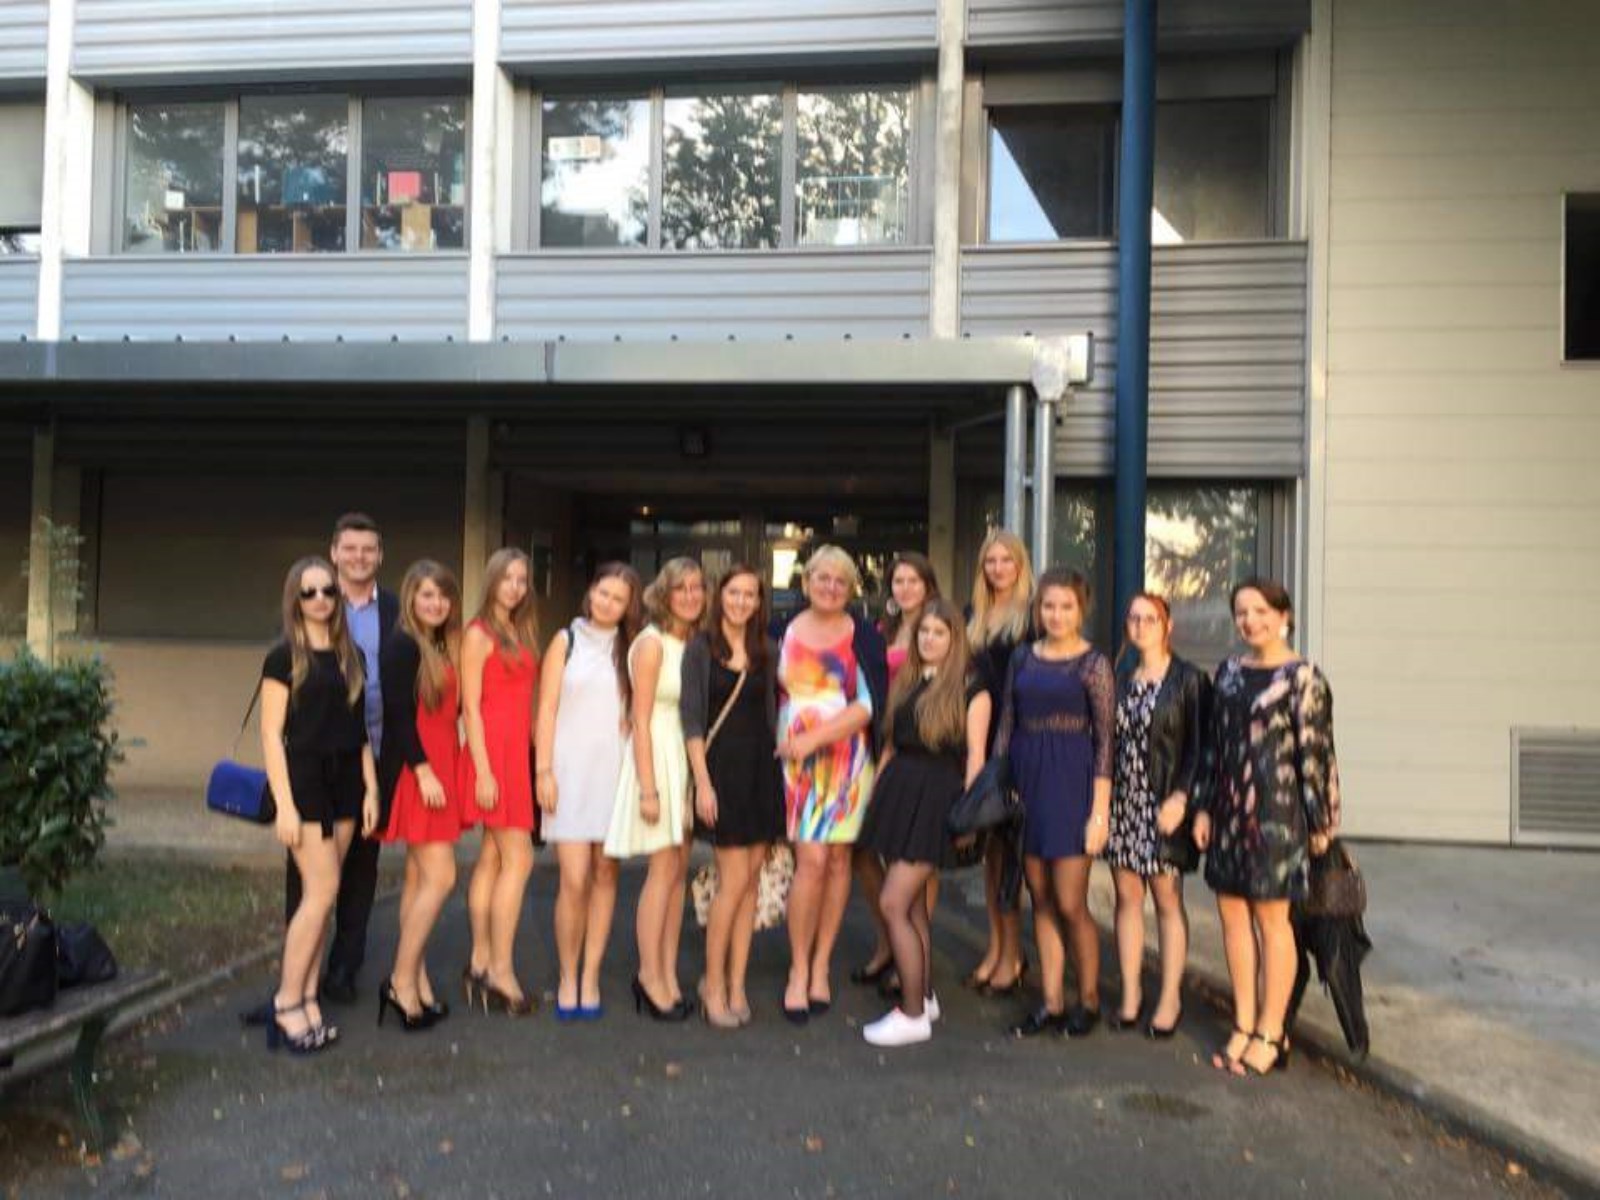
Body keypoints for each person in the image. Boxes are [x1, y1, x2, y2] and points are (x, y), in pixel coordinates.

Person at [1194, 579, 1340, 1076]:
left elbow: (1316, 756)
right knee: (1232, 915)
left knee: (1272, 921)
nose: (1250, 620)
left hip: (1279, 815)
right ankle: (1243, 1022)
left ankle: (1272, 1032)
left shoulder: (1304, 678)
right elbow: (1213, 745)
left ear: (1284, 617)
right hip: (1228, 809)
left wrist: (1321, 822)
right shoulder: (1229, 672)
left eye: (1260, 611)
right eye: (1241, 612)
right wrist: (1203, 807)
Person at [275, 514, 397, 1010]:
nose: (359, 557)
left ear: (380, 555)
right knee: (310, 881)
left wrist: (377, 781)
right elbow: (278, 717)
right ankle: (293, 987)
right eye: (350, 548)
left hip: (368, 758)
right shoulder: (306, 617)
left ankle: (339, 974)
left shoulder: (391, 614)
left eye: (368, 549)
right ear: (334, 552)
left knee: (359, 874)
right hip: (311, 768)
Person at [856, 600, 990, 1047]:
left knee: (893, 902)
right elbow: (891, 744)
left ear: (955, 639)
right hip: (899, 793)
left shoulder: (972, 689)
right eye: (924, 632)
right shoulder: (909, 681)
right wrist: (876, 794)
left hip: (936, 799)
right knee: (911, 907)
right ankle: (924, 996)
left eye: (939, 633)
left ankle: (912, 1014)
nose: (930, 639)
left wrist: (969, 814)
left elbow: (976, 757)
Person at [260, 557, 379, 1053]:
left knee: (324, 896)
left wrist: (371, 789)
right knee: (321, 890)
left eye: (327, 590)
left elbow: (359, 731)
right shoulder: (283, 657)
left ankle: (308, 998)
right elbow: (271, 735)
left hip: (348, 781)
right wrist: (285, 806)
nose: (320, 600)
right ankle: (286, 1002)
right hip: (305, 780)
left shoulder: (352, 656)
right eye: (308, 592)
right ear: (295, 598)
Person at [994, 568, 1114, 1039]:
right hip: (1027, 783)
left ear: (1081, 610)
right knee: (1039, 896)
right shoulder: (1023, 656)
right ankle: (1051, 1001)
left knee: (1069, 901)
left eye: (1066, 606)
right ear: (1038, 609)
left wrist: (1099, 813)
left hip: (1072, 785)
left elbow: (1106, 741)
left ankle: (1089, 999)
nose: (1057, 614)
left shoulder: (1093, 664)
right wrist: (1000, 783)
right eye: (1049, 606)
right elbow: (1007, 721)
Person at [775, 545, 887, 1024]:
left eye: (841, 581)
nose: (831, 587)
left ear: (851, 589)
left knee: (840, 861)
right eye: (823, 578)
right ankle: (798, 968)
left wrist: (815, 738)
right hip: (796, 765)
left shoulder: (864, 635)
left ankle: (821, 965)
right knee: (811, 861)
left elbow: (868, 704)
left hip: (847, 761)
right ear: (807, 582)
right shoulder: (781, 629)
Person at [682, 565, 786, 1029]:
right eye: (733, 593)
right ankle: (713, 984)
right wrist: (702, 783)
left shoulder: (768, 649)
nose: (741, 601)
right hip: (722, 771)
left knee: (750, 885)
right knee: (733, 882)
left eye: (750, 595)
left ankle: (737, 983)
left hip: (762, 772)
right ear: (719, 596)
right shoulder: (701, 649)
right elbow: (691, 721)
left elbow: (774, 713)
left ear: (759, 602)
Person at [536, 563, 641, 1021]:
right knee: (573, 879)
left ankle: (591, 975)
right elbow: (546, 708)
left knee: (605, 875)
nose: (607, 603)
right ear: (590, 592)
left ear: (628, 606)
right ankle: (567, 975)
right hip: (569, 773)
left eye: (618, 598)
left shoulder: (633, 648)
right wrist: (542, 771)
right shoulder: (566, 640)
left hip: (615, 773)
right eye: (603, 592)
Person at [606, 557, 705, 1021]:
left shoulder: (694, 641)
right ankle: (649, 976)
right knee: (662, 870)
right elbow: (640, 720)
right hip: (658, 758)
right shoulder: (650, 644)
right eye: (680, 588)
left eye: (696, 587)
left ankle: (667, 972)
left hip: (684, 757)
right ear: (663, 594)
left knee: (678, 871)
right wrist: (648, 789)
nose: (689, 595)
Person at [1107, 593, 1210, 1038]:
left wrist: (1183, 799)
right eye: (1134, 618)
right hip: (1123, 802)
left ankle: (1170, 997)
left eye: (1150, 618)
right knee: (1127, 898)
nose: (1141, 625)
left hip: (1164, 803)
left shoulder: (1188, 680)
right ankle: (1131, 993)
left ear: (1168, 626)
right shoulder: (1120, 678)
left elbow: (1202, 747)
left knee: (1167, 900)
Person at [376, 561, 464, 1032]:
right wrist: (424, 771)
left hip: (439, 767)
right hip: (419, 772)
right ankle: (400, 980)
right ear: (411, 596)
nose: (436, 603)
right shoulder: (402, 645)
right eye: (427, 594)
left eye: (443, 595)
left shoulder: (438, 644)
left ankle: (417, 979)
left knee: (417, 879)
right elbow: (397, 715)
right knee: (442, 876)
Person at [854, 552, 941, 995]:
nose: (905, 588)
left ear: (928, 585)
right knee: (864, 848)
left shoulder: (936, 629)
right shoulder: (879, 631)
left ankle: (915, 960)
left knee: (916, 859)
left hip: (917, 750)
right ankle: (888, 939)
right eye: (898, 581)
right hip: (874, 742)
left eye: (913, 581)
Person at [459, 548, 541, 1016]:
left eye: (522, 579)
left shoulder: (518, 629)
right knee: (519, 858)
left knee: (492, 858)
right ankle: (501, 971)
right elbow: (470, 708)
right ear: (491, 580)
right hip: (491, 756)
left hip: (514, 755)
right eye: (507, 578)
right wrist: (484, 770)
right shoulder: (479, 633)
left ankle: (479, 961)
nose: (514, 586)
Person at [964, 529, 1034, 996]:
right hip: (980, 741)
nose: (998, 568)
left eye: (1006, 560)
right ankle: (996, 947)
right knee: (990, 857)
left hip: (1017, 744)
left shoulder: (1033, 616)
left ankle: (1014, 956)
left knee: (1011, 860)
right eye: (990, 561)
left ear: (1020, 564)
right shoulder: (972, 616)